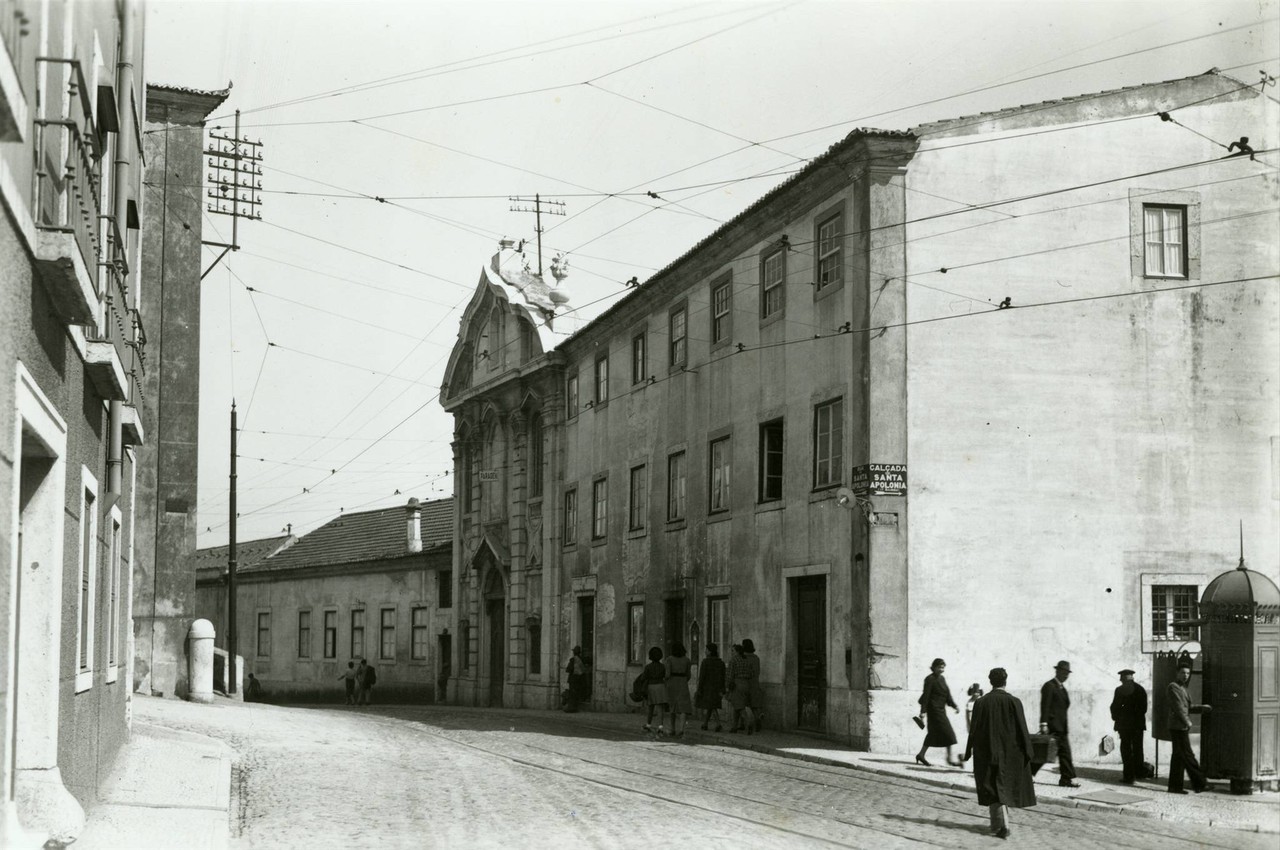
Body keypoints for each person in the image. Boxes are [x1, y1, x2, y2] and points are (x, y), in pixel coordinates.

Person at [963, 666, 1036, 840]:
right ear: (1005, 681)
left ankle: (999, 825)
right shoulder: (1014, 702)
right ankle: (1002, 825)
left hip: (987, 752)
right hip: (1010, 753)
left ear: (990, 682)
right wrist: (1029, 753)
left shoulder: (980, 702)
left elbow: (973, 730)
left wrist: (968, 751)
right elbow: (1022, 729)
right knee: (1003, 787)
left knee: (992, 787)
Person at [1166, 660, 1212, 794]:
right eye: (1183, 673)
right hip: (1178, 726)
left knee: (1178, 756)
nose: (1185, 675)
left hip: (1180, 726)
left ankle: (1175, 787)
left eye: (1187, 673)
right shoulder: (1173, 687)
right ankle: (1200, 784)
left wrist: (1202, 708)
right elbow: (1178, 708)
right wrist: (1187, 722)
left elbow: (1188, 707)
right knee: (1188, 755)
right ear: (1177, 673)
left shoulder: (1184, 688)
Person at [1033, 660, 1079, 787]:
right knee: (1047, 753)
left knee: (1053, 753)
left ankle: (1066, 779)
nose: (1066, 675)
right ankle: (1067, 778)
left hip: (1062, 727)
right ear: (1057, 671)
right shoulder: (1049, 686)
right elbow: (1045, 706)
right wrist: (1043, 724)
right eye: (1063, 672)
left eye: (1067, 673)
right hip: (1053, 726)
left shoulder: (1062, 688)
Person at [915, 657, 962, 767]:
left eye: (943, 667)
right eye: (939, 667)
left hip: (941, 710)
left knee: (934, 734)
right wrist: (923, 712)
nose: (941, 669)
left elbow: (947, 694)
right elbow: (926, 696)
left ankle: (921, 755)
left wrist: (954, 706)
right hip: (934, 711)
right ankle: (949, 758)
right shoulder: (929, 679)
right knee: (949, 733)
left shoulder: (942, 679)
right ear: (934, 667)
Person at [1109, 668, 1148, 785]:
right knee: (1138, 748)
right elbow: (1144, 709)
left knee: (1126, 750)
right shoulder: (1140, 689)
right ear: (1132, 677)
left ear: (1122, 678)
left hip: (1125, 725)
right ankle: (1139, 773)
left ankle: (1129, 776)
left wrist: (1117, 718)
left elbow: (1114, 707)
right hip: (1137, 725)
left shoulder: (1120, 690)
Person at [695, 642, 727, 731]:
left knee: (712, 706)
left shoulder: (705, 662)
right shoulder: (721, 663)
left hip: (707, 687)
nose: (705, 652)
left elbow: (702, 677)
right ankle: (705, 724)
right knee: (711, 706)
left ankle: (718, 724)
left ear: (710, 651)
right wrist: (723, 688)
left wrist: (699, 688)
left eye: (706, 650)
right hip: (717, 687)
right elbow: (723, 676)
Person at [665, 641, 693, 737]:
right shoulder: (687, 660)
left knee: (672, 707)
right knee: (683, 707)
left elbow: (667, 674)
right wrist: (683, 680)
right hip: (683, 683)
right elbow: (689, 675)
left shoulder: (669, 659)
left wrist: (665, 681)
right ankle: (681, 729)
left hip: (672, 683)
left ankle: (672, 729)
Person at [726, 643, 755, 734]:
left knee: (740, 706)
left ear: (737, 651)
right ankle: (734, 727)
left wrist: (727, 686)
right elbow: (752, 673)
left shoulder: (733, 660)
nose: (732, 652)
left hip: (737, 684)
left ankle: (748, 723)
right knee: (737, 705)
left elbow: (730, 675)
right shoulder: (746, 660)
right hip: (746, 684)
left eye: (733, 651)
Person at [641, 646, 669, 735]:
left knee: (651, 707)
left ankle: (648, 724)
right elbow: (665, 676)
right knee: (660, 707)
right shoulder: (663, 666)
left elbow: (644, 677)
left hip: (651, 686)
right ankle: (660, 726)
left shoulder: (648, 667)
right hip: (661, 686)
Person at [742, 638, 764, 732]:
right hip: (755, 683)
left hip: (746, 682)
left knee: (743, 705)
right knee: (754, 705)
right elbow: (757, 671)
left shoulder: (743, 658)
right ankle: (757, 718)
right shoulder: (756, 658)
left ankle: (747, 723)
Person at [563, 645, 587, 713]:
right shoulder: (581, 659)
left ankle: (571, 708)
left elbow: (568, 669)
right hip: (579, 679)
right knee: (576, 693)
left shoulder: (573, 659)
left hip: (573, 679)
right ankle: (575, 707)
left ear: (574, 652)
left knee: (572, 694)